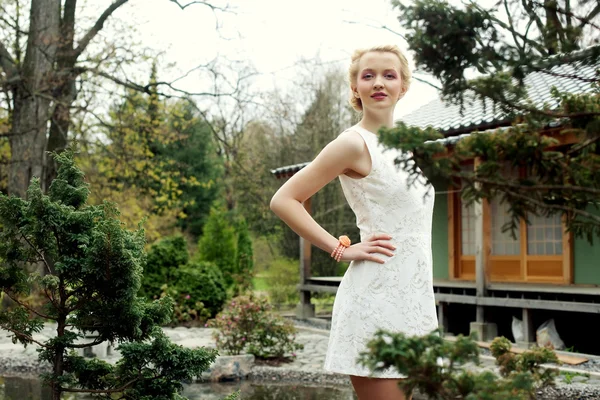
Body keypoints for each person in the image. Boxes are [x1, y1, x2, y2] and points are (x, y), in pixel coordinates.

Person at [270, 45, 438, 400]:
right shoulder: (352, 143)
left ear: (403, 86)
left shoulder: (402, 148)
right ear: (355, 89)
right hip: (375, 299)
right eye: (368, 75)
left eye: (389, 75)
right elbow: (284, 200)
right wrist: (340, 248)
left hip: (414, 302)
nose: (379, 83)